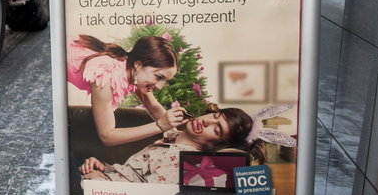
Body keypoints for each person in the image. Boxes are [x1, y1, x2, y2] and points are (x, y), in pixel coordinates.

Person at [80, 106, 264, 184]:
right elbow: (133, 175)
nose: (207, 122)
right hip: (104, 178)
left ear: (215, 145)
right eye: (215, 117)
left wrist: (98, 181)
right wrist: (105, 168)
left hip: (101, 191)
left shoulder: (179, 161)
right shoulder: (174, 138)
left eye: (217, 130)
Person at [67, 34, 188, 146]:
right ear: (138, 65)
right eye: (159, 77)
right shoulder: (106, 75)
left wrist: (176, 136)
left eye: (165, 80)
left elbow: (154, 106)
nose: (159, 86)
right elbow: (106, 136)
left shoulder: (132, 70)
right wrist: (160, 125)